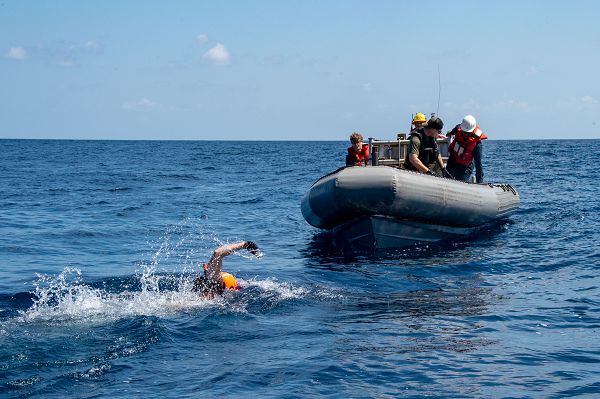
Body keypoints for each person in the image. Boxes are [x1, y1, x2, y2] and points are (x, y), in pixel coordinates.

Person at [193, 241, 260, 297]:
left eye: (204, 294)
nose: (203, 296)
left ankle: (246, 244)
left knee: (217, 253)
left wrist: (245, 245)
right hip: (230, 282)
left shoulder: (213, 280)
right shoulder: (200, 295)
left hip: (225, 282)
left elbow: (217, 253)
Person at [445, 115, 487, 183]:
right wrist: (450, 133)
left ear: (473, 131)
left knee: (461, 182)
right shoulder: (458, 128)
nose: (465, 134)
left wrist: (480, 182)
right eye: (464, 132)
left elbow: (478, 165)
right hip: (453, 159)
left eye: (468, 133)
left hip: (465, 166)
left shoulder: (477, 144)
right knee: (447, 178)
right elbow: (453, 132)